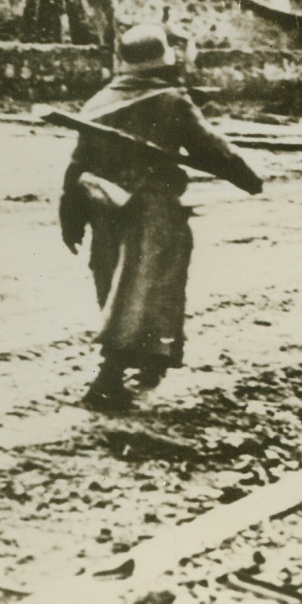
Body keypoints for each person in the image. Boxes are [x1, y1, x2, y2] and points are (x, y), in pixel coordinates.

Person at [58, 24, 263, 412]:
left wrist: (71, 214)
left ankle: (151, 360)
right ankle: (109, 379)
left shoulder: (99, 101)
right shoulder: (172, 99)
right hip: (152, 210)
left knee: (115, 285)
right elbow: (212, 149)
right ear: (164, 58)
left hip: (104, 207)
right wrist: (248, 178)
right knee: (143, 292)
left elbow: (78, 163)